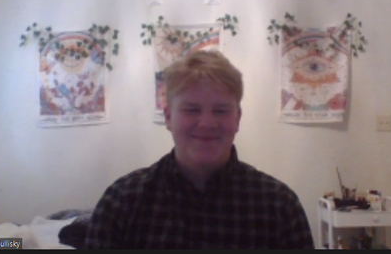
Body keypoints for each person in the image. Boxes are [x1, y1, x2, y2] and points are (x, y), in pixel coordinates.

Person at [85, 50, 314, 249]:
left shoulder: (279, 207)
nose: (206, 123)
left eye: (221, 111)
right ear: (168, 117)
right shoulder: (122, 202)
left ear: (237, 119)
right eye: (192, 110)